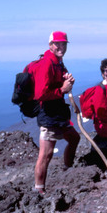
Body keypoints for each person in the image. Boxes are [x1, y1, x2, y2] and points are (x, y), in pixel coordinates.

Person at [33, 31, 80, 195]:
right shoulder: (47, 63)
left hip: (59, 114)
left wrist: (66, 80)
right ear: (50, 45)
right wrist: (62, 89)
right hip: (49, 115)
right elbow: (40, 94)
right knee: (45, 155)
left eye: (64, 44)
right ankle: (39, 190)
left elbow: (56, 85)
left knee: (74, 138)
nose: (61, 47)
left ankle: (68, 169)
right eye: (57, 44)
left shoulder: (58, 63)